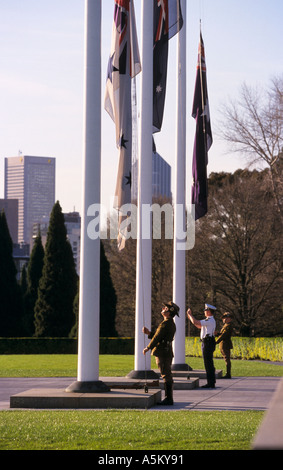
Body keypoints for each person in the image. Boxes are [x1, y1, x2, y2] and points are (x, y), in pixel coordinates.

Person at [143, 301, 179, 405]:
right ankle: (169, 398)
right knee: (167, 374)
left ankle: (168, 399)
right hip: (166, 351)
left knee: (165, 375)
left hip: (162, 352)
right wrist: (149, 333)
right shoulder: (169, 323)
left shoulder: (165, 323)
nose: (163, 308)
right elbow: (159, 336)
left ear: (169, 312)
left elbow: (158, 338)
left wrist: (148, 347)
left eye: (165, 308)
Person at [187, 304, 216, 388]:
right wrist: (190, 317)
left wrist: (190, 315)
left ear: (209, 311)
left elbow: (196, 322)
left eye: (205, 310)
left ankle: (210, 383)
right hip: (208, 342)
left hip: (207, 343)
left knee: (208, 363)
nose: (204, 311)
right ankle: (211, 381)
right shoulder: (209, 320)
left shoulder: (209, 320)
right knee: (209, 363)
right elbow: (199, 325)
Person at [215, 312, 233, 378]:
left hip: (225, 344)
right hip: (223, 344)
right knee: (226, 359)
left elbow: (224, 335)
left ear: (230, 319)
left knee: (227, 359)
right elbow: (222, 334)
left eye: (226, 318)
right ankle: (228, 373)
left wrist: (216, 342)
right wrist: (217, 334)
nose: (224, 319)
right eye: (224, 318)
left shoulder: (228, 326)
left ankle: (228, 374)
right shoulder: (226, 325)